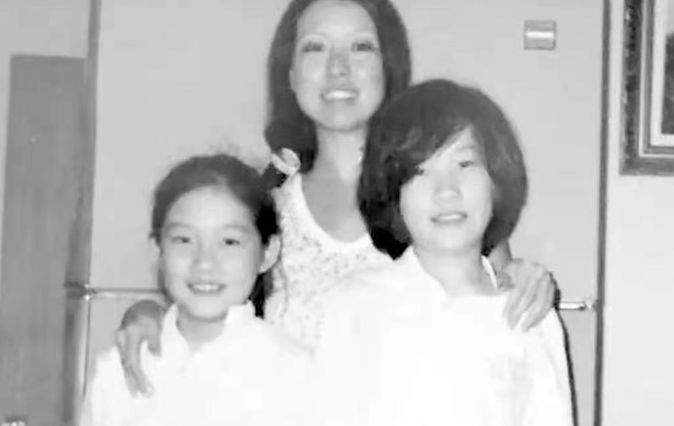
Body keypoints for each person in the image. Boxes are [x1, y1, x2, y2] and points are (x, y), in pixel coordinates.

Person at [116, 0, 558, 396]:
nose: (338, 68)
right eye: (316, 48)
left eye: (361, 47)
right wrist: (146, 314)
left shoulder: (443, 205)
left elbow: (500, 324)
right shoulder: (261, 209)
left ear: (389, 67)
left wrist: (523, 279)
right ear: (290, 74)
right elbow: (200, 311)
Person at [313, 79, 573, 426]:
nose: (446, 190)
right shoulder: (356, 304)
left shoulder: (527, 311)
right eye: (420, 171)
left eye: (464, 164)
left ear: (496, 180)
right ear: (393, 191)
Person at [81, 154, 311, 426]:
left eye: (229, 241)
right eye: (184, 240)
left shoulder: (295, 375)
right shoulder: (119, 368)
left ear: (268, 252)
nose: (204, 262)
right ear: (159, 250)